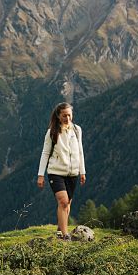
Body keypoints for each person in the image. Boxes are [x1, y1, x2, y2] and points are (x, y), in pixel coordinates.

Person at [37, 102, 86, 240]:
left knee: (68, 203)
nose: (67, 118)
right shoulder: (52, 131)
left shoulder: (77, 130)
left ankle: (60, 229)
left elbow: (80, 151)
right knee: (63, 202)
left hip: (73, 173)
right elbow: (45, 153)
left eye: (69, 115)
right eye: (64, 116)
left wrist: (82, 171)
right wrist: (40, 175)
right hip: (56, 172)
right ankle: (65, 236)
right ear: (58, 116)